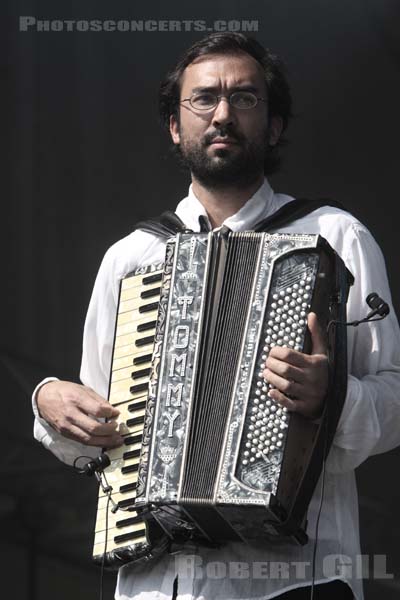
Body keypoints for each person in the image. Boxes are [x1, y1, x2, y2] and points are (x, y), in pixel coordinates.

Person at [32, 33, 400, 600]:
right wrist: (49, 404)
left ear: (274, 126)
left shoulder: (334, 236)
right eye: (203, 99)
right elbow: (99, 430)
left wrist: (333, 398)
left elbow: (394, 402)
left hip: (296, 582)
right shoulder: (131, 256)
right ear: (175, 127)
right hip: (159, 585)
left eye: (245, 98)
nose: (223, 114)